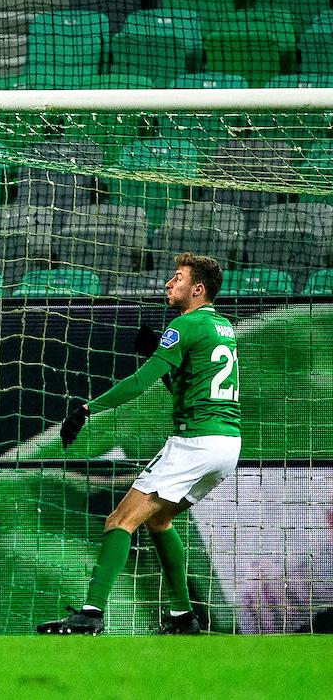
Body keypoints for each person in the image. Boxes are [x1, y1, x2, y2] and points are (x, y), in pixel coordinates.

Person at [38, 253, 241, 635]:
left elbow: (139, 383)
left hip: (195, 442)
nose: (169, 283)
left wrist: (86, 409)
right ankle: (183, 617)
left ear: (197, 289)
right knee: (160, 520)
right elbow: (183, 385)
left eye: (177, 278)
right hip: (227, 445)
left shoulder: (184, 326)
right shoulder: (222, 326)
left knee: (120, 520)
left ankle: (91, 613)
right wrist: (161, 355)